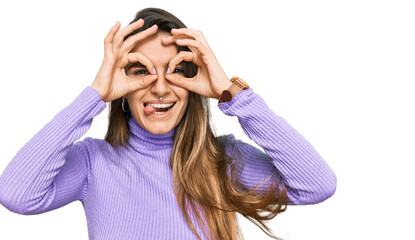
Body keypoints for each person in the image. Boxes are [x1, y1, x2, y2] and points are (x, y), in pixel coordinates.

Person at [0, 7, 336, 240]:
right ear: (122, 88)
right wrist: (94, 95)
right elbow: (16, 195)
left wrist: (231, 93)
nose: (160, 88)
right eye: (141, 70)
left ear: (193, 80)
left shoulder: (224, 160)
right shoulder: (93, 162)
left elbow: (317, 185)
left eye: (175, 70)